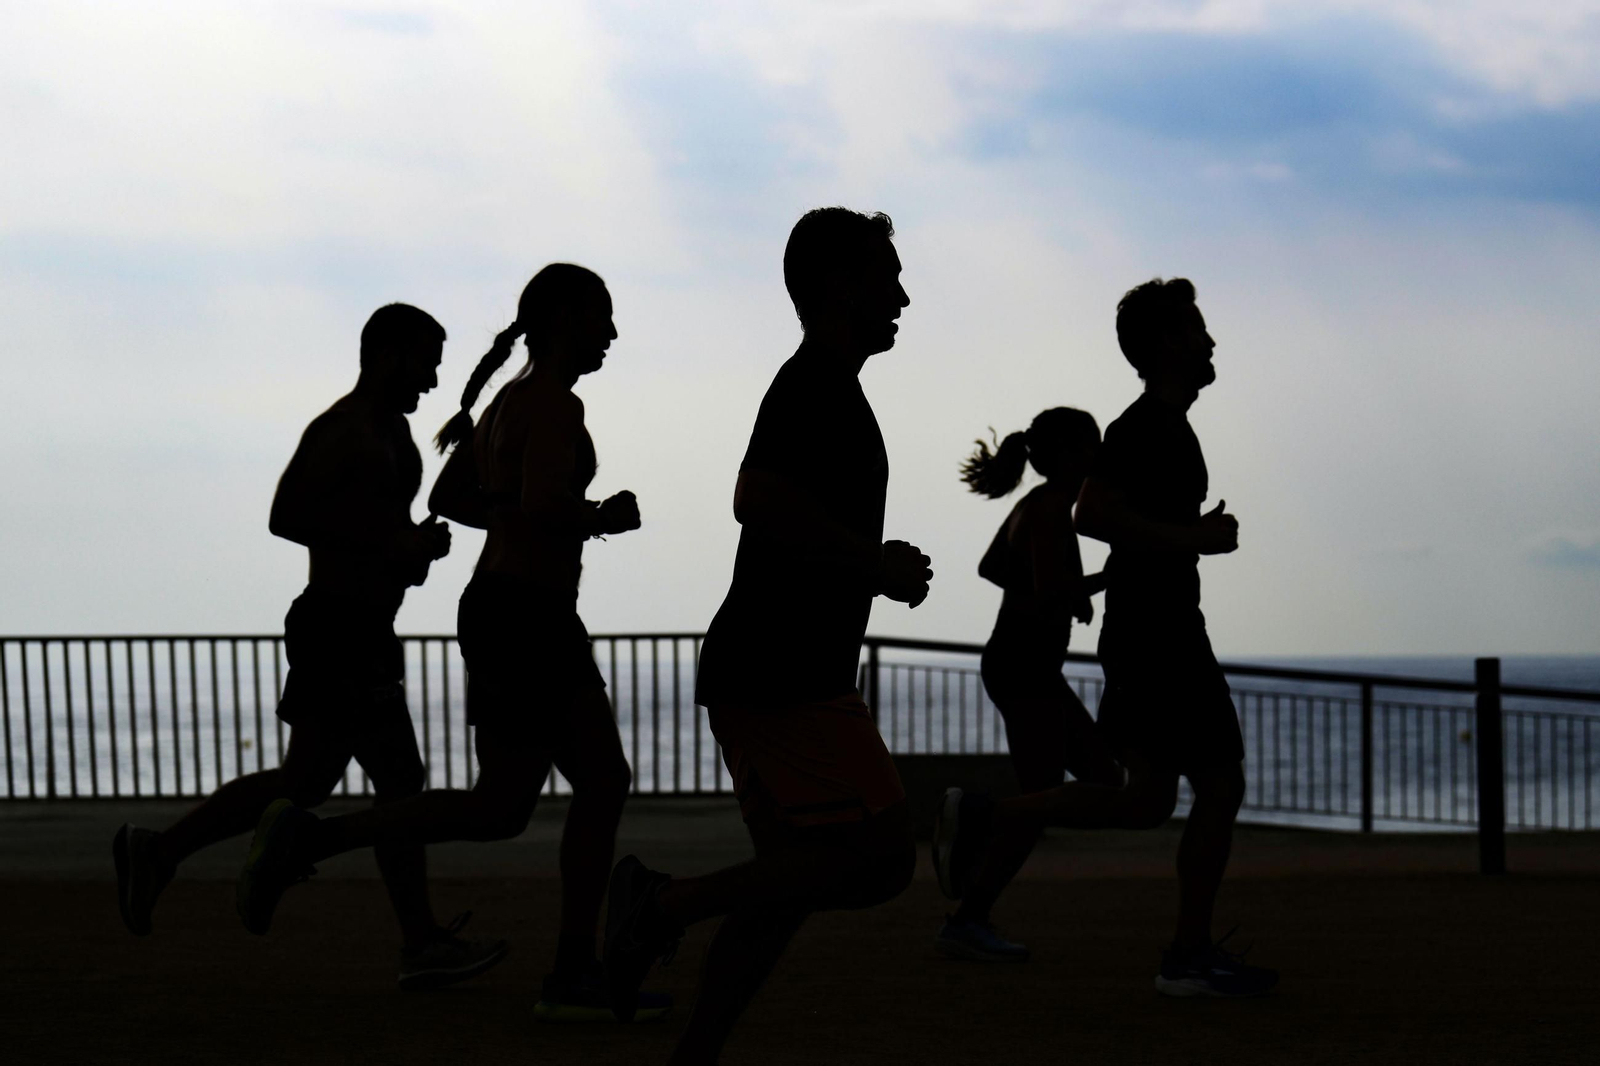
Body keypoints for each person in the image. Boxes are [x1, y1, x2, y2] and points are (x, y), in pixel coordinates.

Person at [235, 265, 666, 1021]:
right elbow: (539, 503)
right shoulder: (558, 405)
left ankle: (308, 841)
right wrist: (600, 515)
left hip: (495, 611)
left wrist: (529, 508)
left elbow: (452, 498)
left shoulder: (504, 404)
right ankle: (573, 972)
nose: (612, 334)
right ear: (561, 317)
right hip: (531, 615)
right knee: (602, 780)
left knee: (499, 808)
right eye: (601, 316)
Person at [600, 207, 931, 1064]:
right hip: (786, 676)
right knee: (885, 856)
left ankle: (693, 1048)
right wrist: (873, 560)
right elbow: (758, 498)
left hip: (771, 670)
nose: (902, 293)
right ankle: (659, 905)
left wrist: (871, 567)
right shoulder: (813, 383)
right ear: (837, 284)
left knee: (782, 888)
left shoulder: (829, 387)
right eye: (885, 275)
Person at [113, 303, 506, 990]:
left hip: (365, 632)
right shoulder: (345, 429)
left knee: (326, 785)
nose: (434, 380)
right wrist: (394, 542)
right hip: (336, 628)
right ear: (388, 355)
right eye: (426, 362)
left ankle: (160, 851)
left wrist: (417, 548)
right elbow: (288, 515)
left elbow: (374, 532)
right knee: (377, 785)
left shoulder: (397, 436)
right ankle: (418, 941)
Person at [931, 278, 1278, 997]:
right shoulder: (1145, 426)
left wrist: (1181, 541)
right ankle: (1187, 956)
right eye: (1195, 330)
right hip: (1161, 636)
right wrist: (1197, 538)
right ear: (1162, 346)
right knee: (1220, 783)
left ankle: (988, 817)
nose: (1211, 341)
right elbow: (1094, 516)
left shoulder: (1163, 428)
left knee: (1146, 799)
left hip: (1147, 633)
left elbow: (1102, 530)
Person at [931, 408, 1124, 962]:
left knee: (1104, 781)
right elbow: (1046, 593)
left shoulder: (1044, 509)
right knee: (1047, 799)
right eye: (1093, 447)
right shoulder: (1046, 512)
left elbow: (993, 568)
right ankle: (969, 904)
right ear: (1067, 455)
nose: (1100, 457)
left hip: (1029, 666)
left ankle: (978, 838)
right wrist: (1111, 576)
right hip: (1023, 666)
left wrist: (1073, 589)